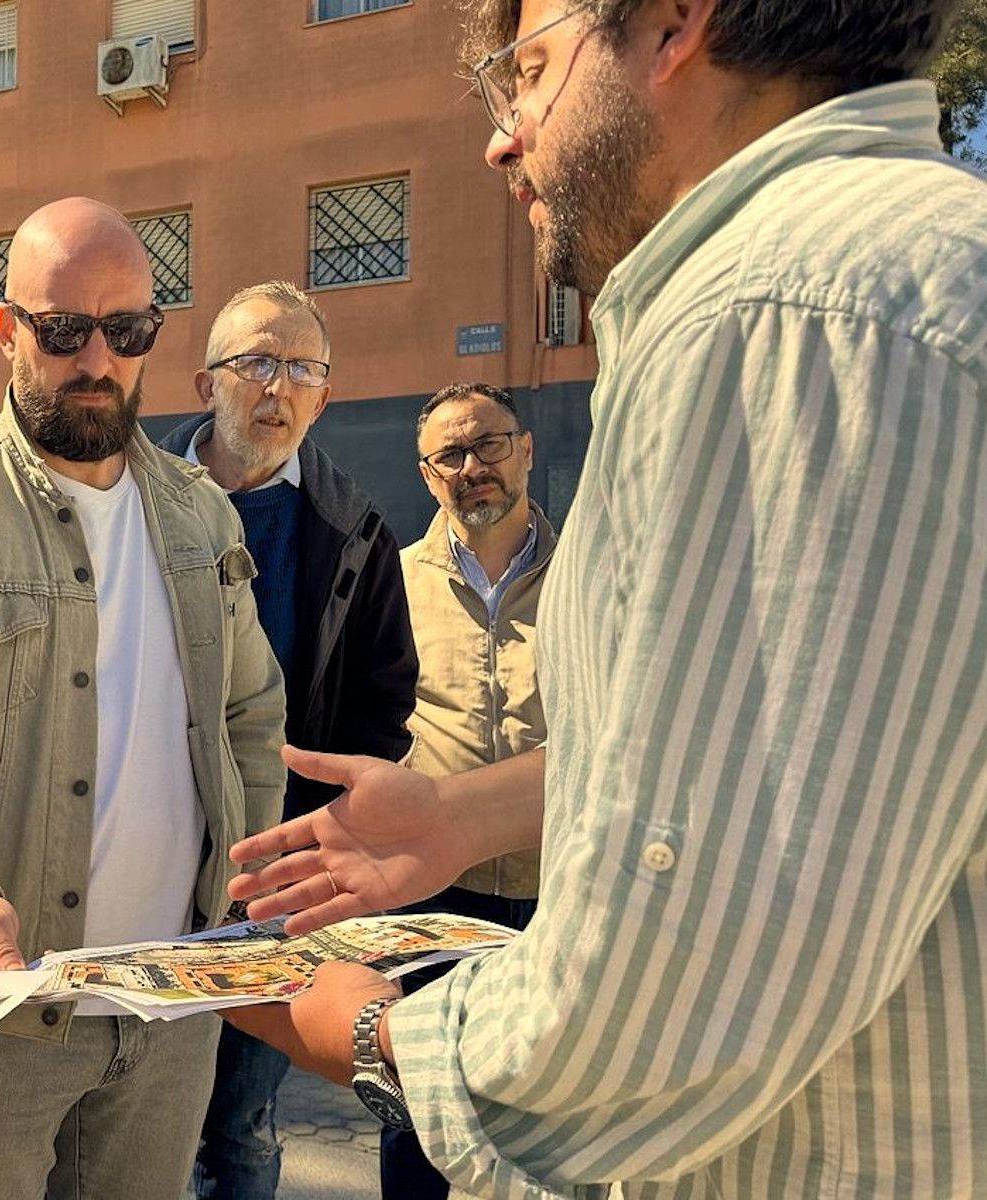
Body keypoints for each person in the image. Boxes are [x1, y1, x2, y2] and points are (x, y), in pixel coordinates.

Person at [225, 1, 987, 1196]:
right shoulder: (878, 274)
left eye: (528, 70)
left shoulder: (782, 316)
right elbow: (781, 759)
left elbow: (685, 986)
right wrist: (466, 813)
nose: (503, 136)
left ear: (675, 25)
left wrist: (364, 1029)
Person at [0, 196, 287, 1200]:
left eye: (127, 331)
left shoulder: (202, 516)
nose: (96, 360)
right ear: (6, 331)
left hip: (170, 1013)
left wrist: (241, 891)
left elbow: (249, 714)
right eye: (65, 329)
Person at [155, 280, 417, 1200]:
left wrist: (322, 829)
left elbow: (383, 695)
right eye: (257, 363)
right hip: (141, 865)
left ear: (325, 397)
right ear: (205, 383)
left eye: (303, 369)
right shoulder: (126, 498)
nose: (278, 389)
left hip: (275, 877)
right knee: (129, 1112)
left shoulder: (354, 529)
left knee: (240, 1121)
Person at [372, 381, 555, 1197]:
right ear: (426, 473)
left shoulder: (591, 575)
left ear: (525, 449)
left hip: (556, 889)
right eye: (449, 454)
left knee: (546, 1108)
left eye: (488, 444)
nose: (472, 466)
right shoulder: (391, 582)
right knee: (418, 1104)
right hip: (431, 896)